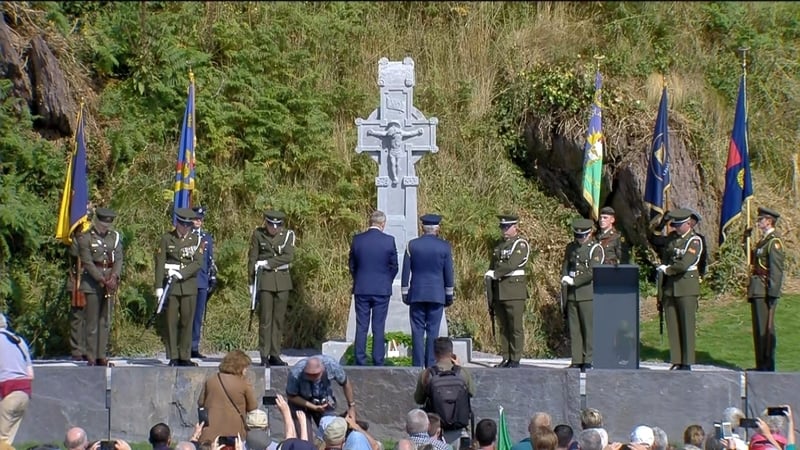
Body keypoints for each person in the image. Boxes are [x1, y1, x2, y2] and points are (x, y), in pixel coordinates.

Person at [402, 213, 455, 367]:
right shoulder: (444, 246)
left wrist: (405, 292)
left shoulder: (412, 245)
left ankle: (417, 365)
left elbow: (406, 271)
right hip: (437, 294)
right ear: (437, 228)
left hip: (417, 294)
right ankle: (431, 365)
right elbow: (448, 272)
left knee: (417, 331)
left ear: (422, 228)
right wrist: (449, 294)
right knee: (433, 331)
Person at [72, 207, 123, 366]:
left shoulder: (113, 237)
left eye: (107, 225)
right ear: (96, 222)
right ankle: (91, 356)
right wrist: (101, 279)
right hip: (93, 283)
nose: (105, 228)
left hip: (109, 281)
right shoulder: (86, 238)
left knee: (104, 320)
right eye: (102, 225)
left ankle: (102, 355)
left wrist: (114, 276)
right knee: (92, 321)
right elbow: (87, 262)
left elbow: (119, 258)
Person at [348, 210, 399, 366]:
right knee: (378, 325)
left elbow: (352, 265)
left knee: (362, 325)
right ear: (383, 224)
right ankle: (378, 359)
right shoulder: (389, 240)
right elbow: (394, 266)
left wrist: (359, 279)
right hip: (381, 290)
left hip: (362, 288)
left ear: (370, 222)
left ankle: (360, 359)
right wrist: (386, 281)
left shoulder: (358, 240)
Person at [655, 208, 703, 371]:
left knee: (686, 324)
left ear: (688, 223)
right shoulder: (672, 239)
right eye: (673, 224)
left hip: (686, 286)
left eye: (678, 225)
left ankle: (687, 360)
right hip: (670, 287)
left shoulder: (694, 241)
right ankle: (676, 359)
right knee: (673, 324)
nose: (675, 227)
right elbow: (658, 244)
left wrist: (667, 270)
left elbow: (684, 263)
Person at [155, 207, 203, 367]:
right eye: (183, 225)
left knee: (187, 321)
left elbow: (197, 263)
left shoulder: (196, 240)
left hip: (188, 285)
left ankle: (185, 355)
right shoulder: (167, 238)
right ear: (178, 223)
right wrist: (158, 287)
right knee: (171, 321)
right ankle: (173, 356)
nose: (185, 228)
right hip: (171, 286)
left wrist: (181, 273)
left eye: (188, 226)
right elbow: (160, 263)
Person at [248, 210, 295, 367]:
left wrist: (268, 263)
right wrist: (251, 282)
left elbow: (288, 256)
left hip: (282, 280)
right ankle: (264, 354)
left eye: (277, 226)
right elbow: (253, 258)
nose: (274, 229)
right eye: (270, 225)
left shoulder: (287, 235)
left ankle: (275, 353)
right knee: (265, 320)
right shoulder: (258, 235)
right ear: (266, 223)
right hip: (265, 281)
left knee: (278, 320)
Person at [485, 214, 530, 368]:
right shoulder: (499, 246)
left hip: (514, 290)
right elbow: (493, 265)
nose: (504, 230)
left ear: (515, 227)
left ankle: (515, 357)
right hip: (500, 290)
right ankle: (506, 356)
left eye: (507, 227)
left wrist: (495, 273)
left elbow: (512, 264)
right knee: (503, 326)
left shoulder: (520, 244)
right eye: (502, 227)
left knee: (515, 326)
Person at [561, 218, 605, 371]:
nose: (579, 239)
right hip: (573, 294)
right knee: (575, 328)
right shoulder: (571, 248)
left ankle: (588, 359)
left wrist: (574, 280)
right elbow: (566, 265)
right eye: (577, 236)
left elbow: (592, 271)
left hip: (586, 292)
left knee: (588, 327)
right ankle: (576, 358)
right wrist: (565, 278)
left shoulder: (595, 249)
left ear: (589, 234)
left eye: (582, 236)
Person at [414, 337, 475, 444]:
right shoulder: (463, 373)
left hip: (435, 430)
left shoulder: (426, 374)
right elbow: (472, 392)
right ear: (451, 353)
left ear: (435, 354)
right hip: (459, 428)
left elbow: (419, 399)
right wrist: (459, 367)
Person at [746, 207, 784, 372]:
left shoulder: (774, 242)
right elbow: (754, 260)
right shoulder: (763, 242)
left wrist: (773, 293)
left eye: (761, 220)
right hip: (757, 289)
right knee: (758, 329)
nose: (758, 222)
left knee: (765, 329)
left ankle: (767, 365)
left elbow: (776, 270)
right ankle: (760, 363)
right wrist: (745, 240)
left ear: (769, 221)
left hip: (765, 290)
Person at [197, 349, 258, 442]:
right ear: (239, 367)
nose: (246, 370)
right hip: (234, 434)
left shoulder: (211, 380)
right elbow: (253, 407)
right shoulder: (244, 384)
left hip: (210, 433)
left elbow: (200, 402)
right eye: (245, 367)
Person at [285, 355, 356, 432]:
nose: (312, 377)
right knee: (304, 435)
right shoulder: (296, 373)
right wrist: (313, 407)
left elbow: (345, 382)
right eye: (309, 374)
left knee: (330, 431)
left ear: (323, 369)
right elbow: (291, 396)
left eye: (315, 374)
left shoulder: (332, 366)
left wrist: (351, 407)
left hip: (323, 400)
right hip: (300, 401)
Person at [0, 314, 33, 444]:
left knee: (1, 440)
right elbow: (30, 374)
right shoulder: (18, 340)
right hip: (24, 394)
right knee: (7, 441)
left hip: (9, 394)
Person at [191, 205, 216, 360]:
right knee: (188, 315)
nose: (198, 221)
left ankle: (194, 346)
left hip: (202, 280)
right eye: (195, 219)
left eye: (200, 219)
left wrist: (211, 277)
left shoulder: (206, 237)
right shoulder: (187, 236)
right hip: (189, 280)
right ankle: (183, 346)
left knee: (198, 316)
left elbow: (209, 259)